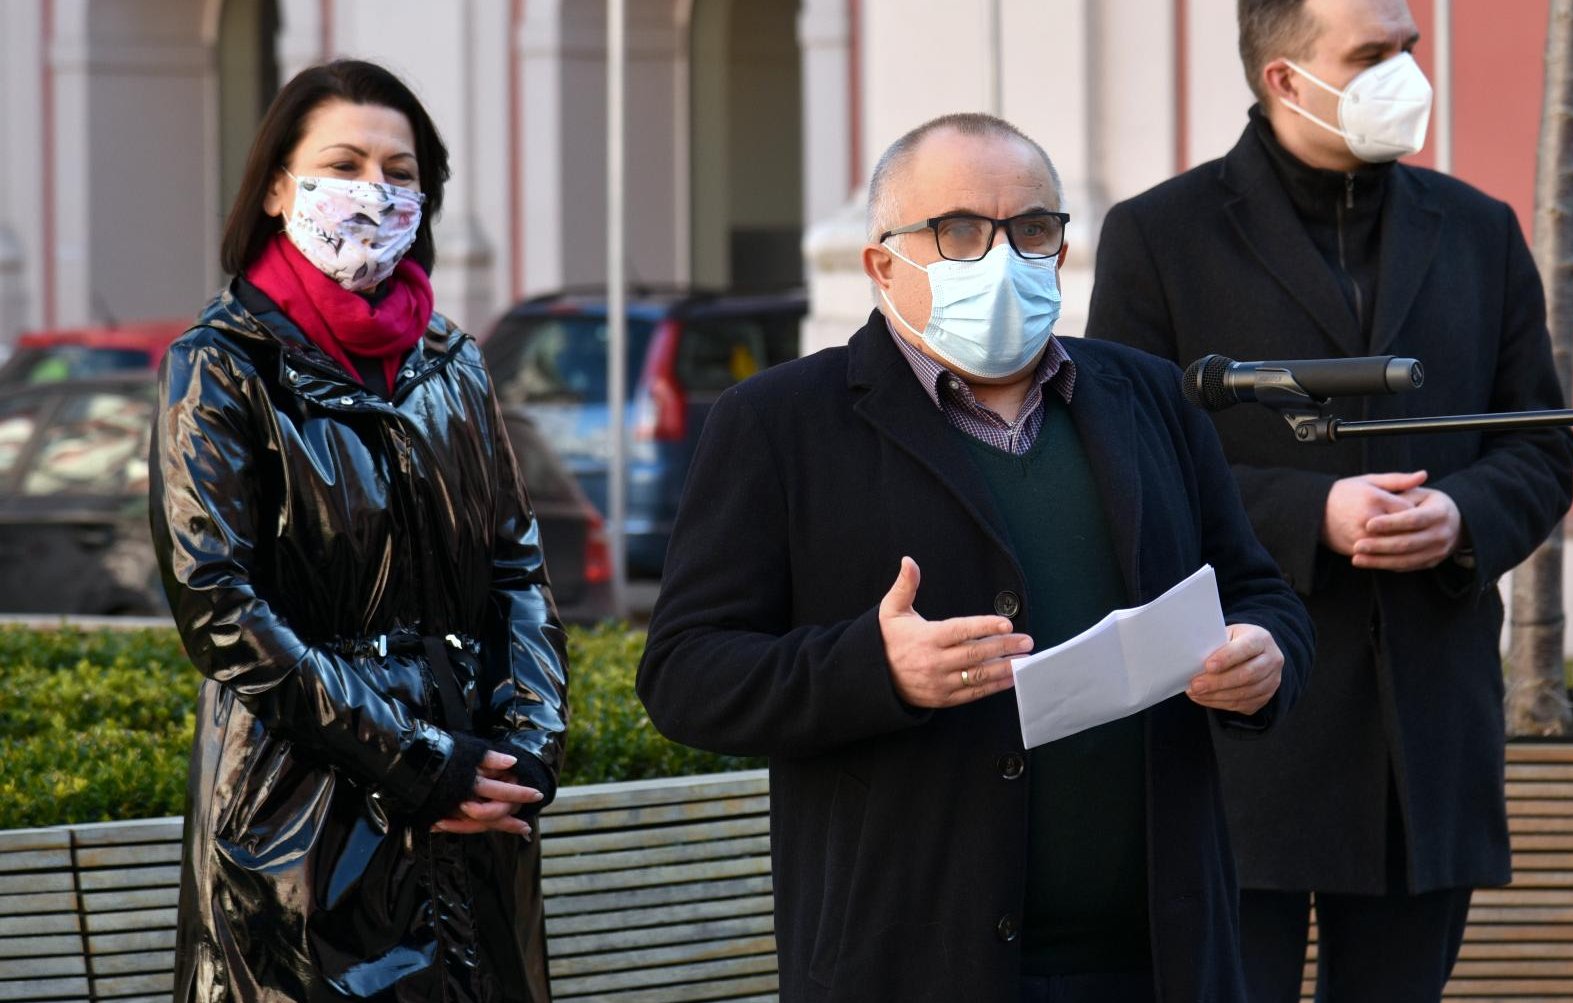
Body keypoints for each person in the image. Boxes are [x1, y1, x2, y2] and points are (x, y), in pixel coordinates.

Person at [636, 111, 1315, 1003]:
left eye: (1032, 229)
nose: (1004, 257)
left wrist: (1265, 657)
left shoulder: (1150, 396)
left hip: (1161, 955)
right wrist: (877, 668)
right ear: (884, 263)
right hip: (914, 959)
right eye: (959, 231)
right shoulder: (779, 424)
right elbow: (685, 673)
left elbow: (1261, 593)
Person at [1086, 0, 1573, 999]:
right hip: (1239, 731)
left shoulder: (1478, 231)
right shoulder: (1158, 236)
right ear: (1281, 78)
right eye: (1369, 54)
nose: (1405, 71)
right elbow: (1120, 463)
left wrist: (1461, 517)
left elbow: (1539, 444)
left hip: (1424, 738)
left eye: (1405, 47)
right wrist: (1309, 515)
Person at [150, 60, 567, 1003]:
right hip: (298, 827)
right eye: (345, 162)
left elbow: (517, 567)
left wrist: (529, 743)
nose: (375, 193)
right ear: (274, 187)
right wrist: (420, 763)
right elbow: (218, 606)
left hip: (475, 811)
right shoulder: (218, 368)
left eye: (401, 170)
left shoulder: (452, 363)